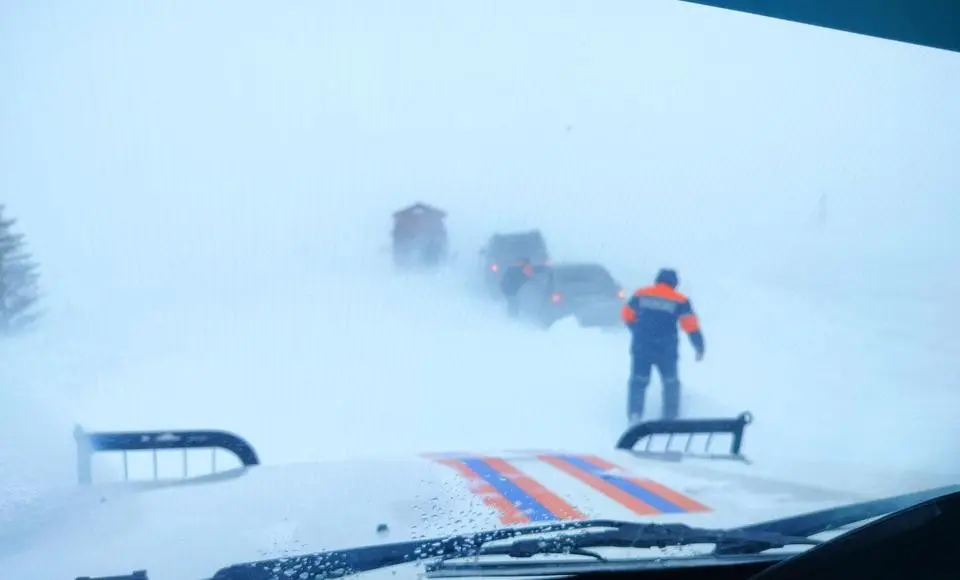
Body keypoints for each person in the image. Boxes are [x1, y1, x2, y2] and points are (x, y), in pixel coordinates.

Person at [620, 268, 705, 423]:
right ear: (674, 284)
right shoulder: (680, 300)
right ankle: (670, 418)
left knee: (638, 381)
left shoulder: (641, 294)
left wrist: (637, 331)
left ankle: (634, 416)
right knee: (670, 382)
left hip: (641, 347)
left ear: (657, 280)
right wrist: (699, 346)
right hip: (666, 349)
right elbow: (690, 325)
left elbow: (626, 315)